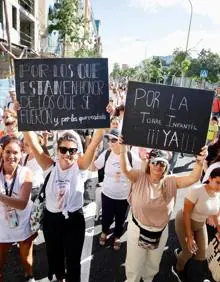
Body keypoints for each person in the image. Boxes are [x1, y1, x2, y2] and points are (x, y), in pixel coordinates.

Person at [23, 129, 104, 282]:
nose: (67, 154)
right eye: (63, 149)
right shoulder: (49, 165)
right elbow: (33, 143)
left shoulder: (79, 168)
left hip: (74, 220)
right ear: (57, 151)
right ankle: (59, 277)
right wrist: (22, 114)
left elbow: (94, 143)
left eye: (72, 150)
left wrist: (104, 119)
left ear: (77, 152)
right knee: (55, 255)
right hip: (51, 220)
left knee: (73, 260)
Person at [120, 142, 207, 282]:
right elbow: (125, 169)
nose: (157, 166)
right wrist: (123, 148)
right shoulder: (139, 176)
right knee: (134, 264)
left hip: (160, 231)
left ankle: (148, 279)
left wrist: (199, 161)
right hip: (138, 229)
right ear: (149, 163)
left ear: (166, 166)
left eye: (162, 164)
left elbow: (193, 178)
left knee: (153, 263)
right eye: (154, 162)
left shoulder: (171, 181)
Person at [172, 167, 220, 282]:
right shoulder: (197, 190)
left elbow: (216, 215)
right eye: (218, 182)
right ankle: (177, 269)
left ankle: (180, 252)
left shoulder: (218, 194)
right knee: (189, 252)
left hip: (200, 223)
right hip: (185, 220)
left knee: (202, 254)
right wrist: (189, 236)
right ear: (210, 178)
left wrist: (219, 231)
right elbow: (186, 213)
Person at [0, 137, 36, 282]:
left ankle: (29, 274)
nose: (11, 156)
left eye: (16, 152)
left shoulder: (26, 172)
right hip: (2, 223)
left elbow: (21, 204)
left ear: (21, 154)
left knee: (26, 258)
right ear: (2, 152)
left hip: (22, 221)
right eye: (8, 152)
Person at [93, 128, 132, 250]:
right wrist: (93, 152)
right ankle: (104, 232)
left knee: (121, 219)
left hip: (124, 197)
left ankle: (117, 236)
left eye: (114, 140)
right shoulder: (106, 154)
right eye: (108, 139)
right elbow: (93, 168)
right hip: (107, 194)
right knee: (106, 216)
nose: (110, 143)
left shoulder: (131, 156)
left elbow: (138, 176)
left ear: (122, 141)